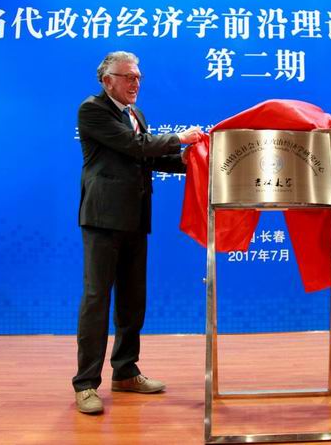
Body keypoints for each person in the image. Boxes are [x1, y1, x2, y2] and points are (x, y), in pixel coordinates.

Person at [72, 51, 202, 414]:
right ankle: (86, 383)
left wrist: (189, 160)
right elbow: (134, 145)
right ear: (107, 80)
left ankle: (126, 371)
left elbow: (148, 157)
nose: (136, 83)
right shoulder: (92, 110)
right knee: (97, 299)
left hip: (135, 217)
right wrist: (180, 138)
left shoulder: (136, 114)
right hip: (102, 219)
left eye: (139, 77)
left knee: (132, 299)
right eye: (128, 76)